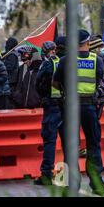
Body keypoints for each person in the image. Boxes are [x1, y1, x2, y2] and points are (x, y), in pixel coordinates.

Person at [53, 29, 104, 195]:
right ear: (87, 43)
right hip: (89, 107)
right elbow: (100, 82)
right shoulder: (97, 60)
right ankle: (97, 185)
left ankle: (70, 185)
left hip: (70, 107)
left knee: (70, 146)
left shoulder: (65, 61)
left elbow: (55, 83)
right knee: (93, 145)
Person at [34, 41, 64, 185]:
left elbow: (37, 83)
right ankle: (66, 176)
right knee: (67, 143)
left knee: (49, 141)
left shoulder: (47, 64)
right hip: (65, 107)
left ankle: (46, 174)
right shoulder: (62, 62)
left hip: (51, 106)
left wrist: (44, 97)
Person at [90, 35, 104, 111]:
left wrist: (98, 92)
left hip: (103, 98)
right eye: (100, 47)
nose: (102, 49)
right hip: (89, 99)